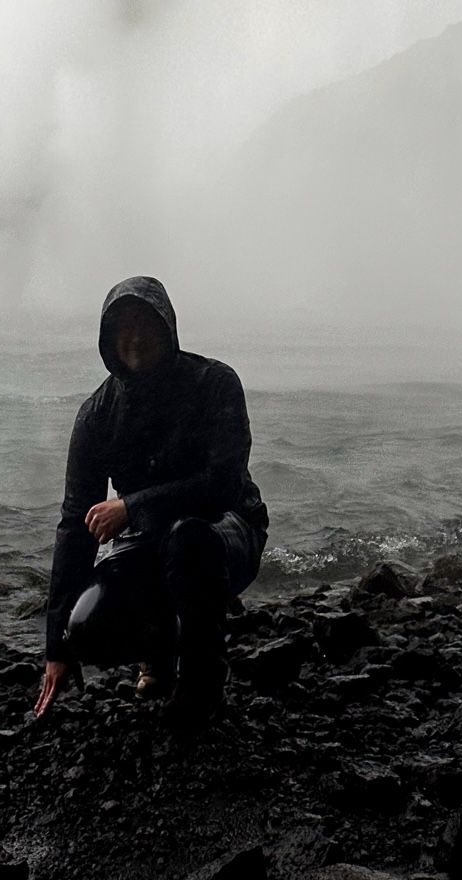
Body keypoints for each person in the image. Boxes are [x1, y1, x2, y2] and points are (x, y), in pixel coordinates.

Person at [34, 276, 268, 726]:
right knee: (85, 629)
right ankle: (162, 648)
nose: (135, 337)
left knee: (189, 539)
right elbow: (73, 526)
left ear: (169, 328)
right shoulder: (97, 413)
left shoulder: (215, 384)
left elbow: (223, 484)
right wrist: (56, 648)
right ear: (107, 339)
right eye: (123, 327)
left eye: (146, 323)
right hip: (151, 543)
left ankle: (202, 685)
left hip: (229, 528)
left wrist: (132, 507)